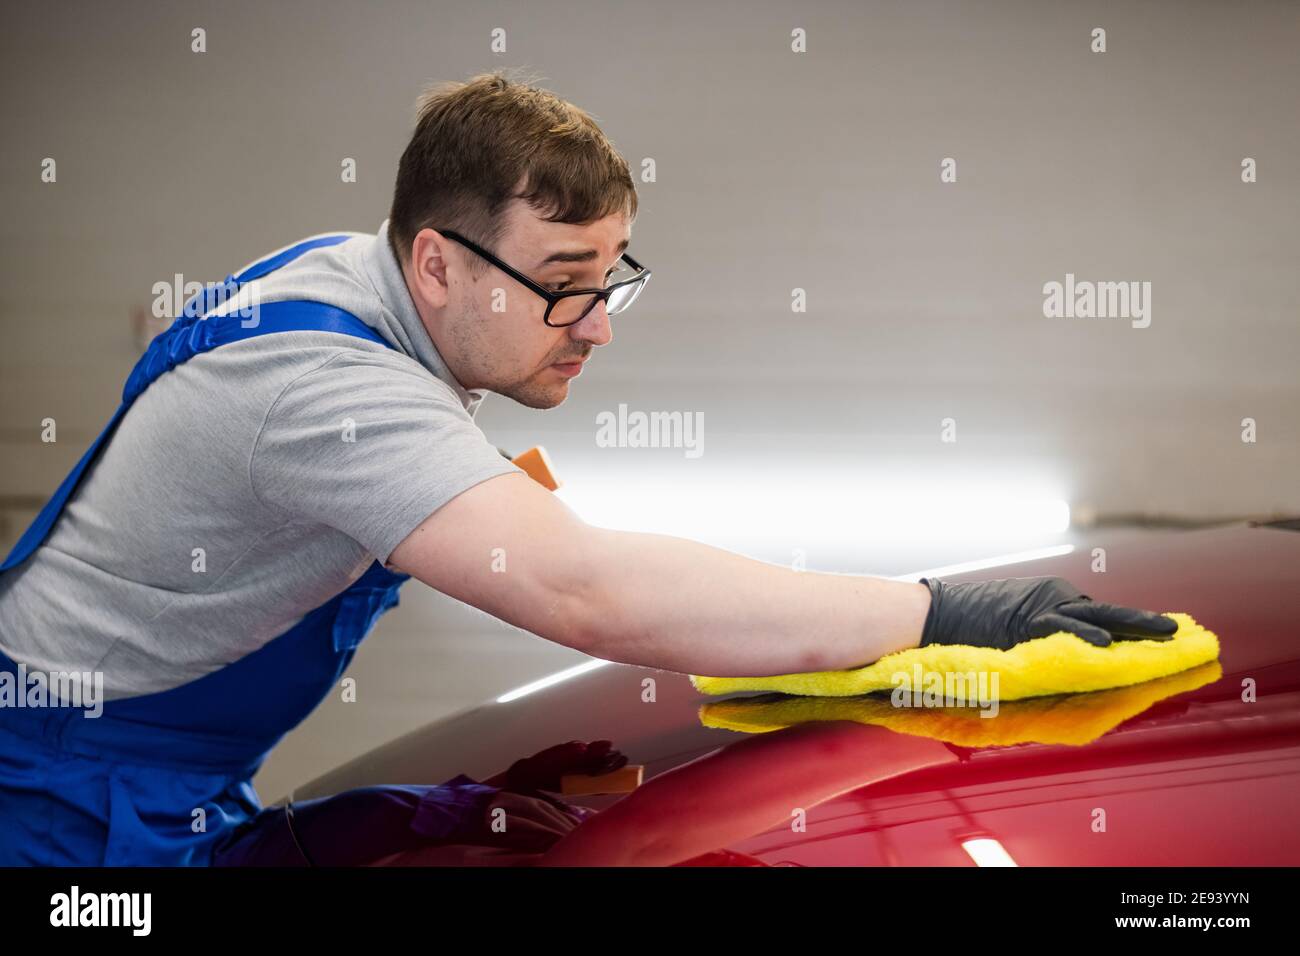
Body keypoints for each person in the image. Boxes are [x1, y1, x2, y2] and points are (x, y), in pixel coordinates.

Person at [0, 70, 1175, 866]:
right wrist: (934, 609)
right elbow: (581, 588)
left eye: (612, 276)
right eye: (564, 279)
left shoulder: (344, 276)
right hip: (50, 810)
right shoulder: (327, 391)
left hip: (142, 780)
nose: (596, 321)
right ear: (436, 262)